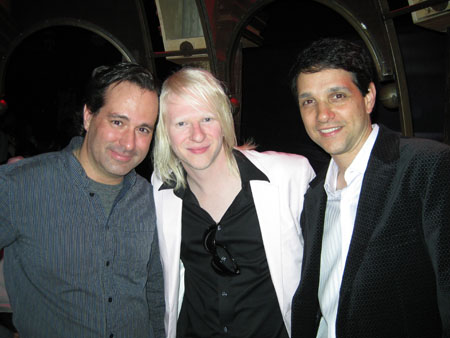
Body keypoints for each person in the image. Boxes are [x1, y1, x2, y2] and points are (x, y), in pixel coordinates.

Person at [289, 37, 450, 338]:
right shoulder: (314, 194)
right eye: (308, 101)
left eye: (337, 96)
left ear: (368, 97)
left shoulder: (427, 166)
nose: (322, 115)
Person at [0, 62, 165, 338]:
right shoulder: (20, 186)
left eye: (143, 129)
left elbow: (155, 295)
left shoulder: (150, 199)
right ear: (88, 116)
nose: (129, 143)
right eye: (117, 122)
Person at [151, 67, 315, 338]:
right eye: (181, 123)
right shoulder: (160, 189)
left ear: (224, 120)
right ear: (165, 131)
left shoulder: (290, 176)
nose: (197, 135)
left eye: (207, 118)